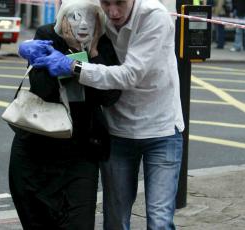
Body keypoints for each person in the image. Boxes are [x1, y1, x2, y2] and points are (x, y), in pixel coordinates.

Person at [19, 0, 185, 229]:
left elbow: (128, 77)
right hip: (116, 131)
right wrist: (27, 47)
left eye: (120, 3)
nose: (113, 12)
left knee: (159, 220)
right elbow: (62, 26)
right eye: (106, 3)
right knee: (115, 220)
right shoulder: (97, 16)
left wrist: (75, 65)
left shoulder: (153, 16)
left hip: (161, 128)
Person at [9, 0, 121, 228]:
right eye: (75, 16)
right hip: (37, 150)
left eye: (89, 16)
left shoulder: (104, 42)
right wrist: (70, 51)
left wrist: (91, 53)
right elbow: (44, 90)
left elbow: (109, 96)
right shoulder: (47, 35)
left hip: (81, 152)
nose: (82, 24)